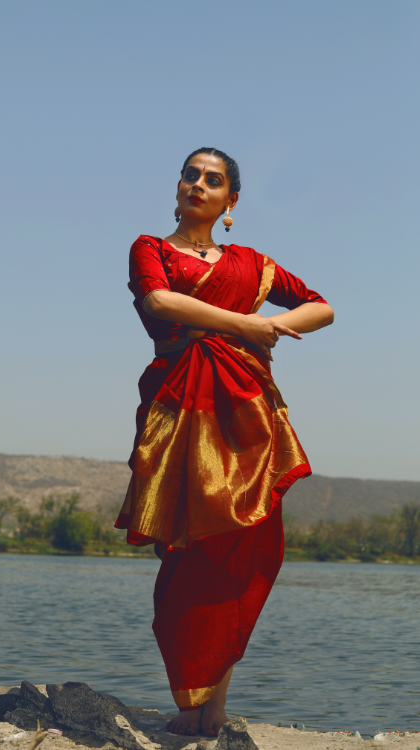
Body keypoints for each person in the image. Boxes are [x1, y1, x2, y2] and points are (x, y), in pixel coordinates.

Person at [115, 147, 334, 737]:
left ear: (231, 201)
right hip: (177, 409)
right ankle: (193, 704)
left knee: (239, 546)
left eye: (213, 180)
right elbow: (158, 301)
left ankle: (209, 708)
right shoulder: (151, 249)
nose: (198, 184)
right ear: (179, 185)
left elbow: (323, 308)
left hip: (244, 414)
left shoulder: (251, 263)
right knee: (187, 551)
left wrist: (276, 326)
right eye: (190, 174)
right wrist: (248, 327)